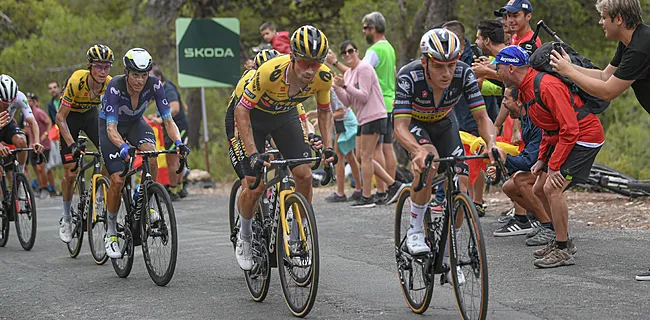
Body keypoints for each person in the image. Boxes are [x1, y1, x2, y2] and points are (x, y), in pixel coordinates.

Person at [393, 29, 500, 283]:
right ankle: (416, 229)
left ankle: (448, 255)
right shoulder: (409, 76)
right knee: (428, 163)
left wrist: (491, 144)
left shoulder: (464, 74)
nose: (446, 73)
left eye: (451, 65)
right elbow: (399, 127)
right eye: (440, 66)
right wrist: (417, 151)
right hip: (415, 125)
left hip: (445, 124)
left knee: (462, 185)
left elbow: (482, 117)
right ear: (425, 62)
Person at [232, 25, 336, 271]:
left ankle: (298, 236)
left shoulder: (323, 77)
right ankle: (245, 236)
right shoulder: (270, 72)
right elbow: (242, 111)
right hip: (252, 117)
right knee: (254, 184)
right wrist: (253, 153)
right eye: (305, 63)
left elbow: (324, 112)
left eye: (316, 63)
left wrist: (328, 146)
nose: (311, 70)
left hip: (283, 115)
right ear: (293, 58)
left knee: (304, 174)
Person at [494, 45, 604, 268]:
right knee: (538, 188)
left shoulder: (546, 85)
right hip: (563, 138)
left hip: (585, 137)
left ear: (510, 68)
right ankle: (560, 239)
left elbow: (570, 128)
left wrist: (554, 166)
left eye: (498, 68)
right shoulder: (526, 88)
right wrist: (542, 159)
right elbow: (547, 126)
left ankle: (563, 249)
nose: (497, 72)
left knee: (553, 188)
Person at [99, 48, 189, 258]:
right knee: (118, 181)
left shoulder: (155, 84)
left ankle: (146, 200)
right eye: (135, 75)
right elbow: (111, 129)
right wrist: (122, 146)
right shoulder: (114, 87)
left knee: (151, 154)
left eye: (143, 75)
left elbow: (168, 120)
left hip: (135, 124)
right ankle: (111, 232)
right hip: (111, 127)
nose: (140, 81)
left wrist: (177, 142)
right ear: (126, 72)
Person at [327, 12, 399, 203]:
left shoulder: (374, 51)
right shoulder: (389, 48)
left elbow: (360, 75)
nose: (364, 31)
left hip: (376, 106)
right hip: (384, 103)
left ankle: (382, 190)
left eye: (366, 28)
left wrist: (336, 65)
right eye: (345, 53)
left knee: (372, 153)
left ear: (374, 28)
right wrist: (339, 85)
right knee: (382, 149)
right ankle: (390, 187)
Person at [550, 0, 649, 116]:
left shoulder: (639, 48)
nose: (600, 22)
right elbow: (604, 76)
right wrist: (570, 65)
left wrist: (569, 72)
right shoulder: (630, 40)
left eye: (603, 17)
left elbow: (607, 92)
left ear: (618, 19)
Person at [56, 44, 113, 243]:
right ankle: (67, 217)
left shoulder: (109, 84)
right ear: (89, 66)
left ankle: (100, 194)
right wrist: (72, 145)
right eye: (98, 66)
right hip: (69, 118)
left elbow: (113, 116)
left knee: (110, 154)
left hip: (90, 115)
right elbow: (60, 118)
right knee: (70, 172)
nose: (103, 71)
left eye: (106, 67)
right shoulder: (76, 81)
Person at [488, 87, 554, 246]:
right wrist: (501, 165)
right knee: (509, 187)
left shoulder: (536, 119)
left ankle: (549, 227)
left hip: (558, 162)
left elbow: (529, 160)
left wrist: (505, 159)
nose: (503, 103)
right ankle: (542, 221)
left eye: (506, 99)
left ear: (518, 101)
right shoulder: (523, 116)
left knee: (521, 180)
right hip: (543, 162)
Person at [149, 65, 190, 200]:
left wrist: (160, 120)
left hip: (177, 127)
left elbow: (175, 108)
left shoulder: (168, 89)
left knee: (173, 159)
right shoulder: (158, 89)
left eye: (149, 75)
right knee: (174, 159)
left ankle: (174, 191)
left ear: (158, 77)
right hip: (171, 126)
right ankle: (178, 187)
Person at [320, 88, 362, 203]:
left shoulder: (331, 89)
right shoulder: (326, 89)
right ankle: (359, 189)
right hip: (345, 122)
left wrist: (327, 119)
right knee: (350, 157)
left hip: (345, 123)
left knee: (338, 158)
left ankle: (340, 193)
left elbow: (340, 111)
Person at [0, 75, 44, 173]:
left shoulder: (19, 97)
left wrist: (36, 141)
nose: (8, 104)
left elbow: (32, 122)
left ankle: (20, 172)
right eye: (4, 101)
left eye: (11, 100)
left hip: (7, 124)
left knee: (21, 141)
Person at [25, 93, 52, 199]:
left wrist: (46, 134)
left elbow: (49, 122)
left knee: (41, 168)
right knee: (36, 168)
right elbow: (27, 129)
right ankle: (41, 188)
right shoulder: (27, 114)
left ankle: (46, 188)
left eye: (30, 101)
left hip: (43, 144)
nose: (28, 103)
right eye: (26, 101)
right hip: (32, 145)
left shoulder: (39, 112)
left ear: (34, 101)